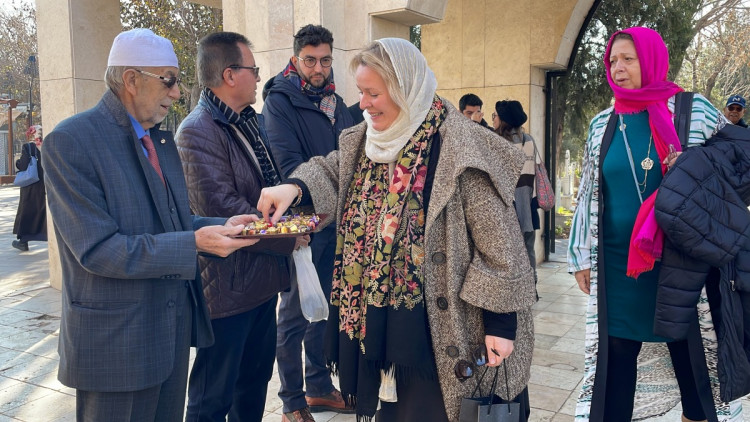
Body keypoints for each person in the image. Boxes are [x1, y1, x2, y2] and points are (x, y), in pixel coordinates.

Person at [257, 37, 536, 422]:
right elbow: (334, 170)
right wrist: (294, 187)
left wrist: (502, 325)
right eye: (361, 92)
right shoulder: (366, 140)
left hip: (449, 331)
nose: (363, 104)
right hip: (385, 327)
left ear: (406, 88)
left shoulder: (461, 146)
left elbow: (500, 245)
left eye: (374, 93)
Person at [42, 28, 260, 422]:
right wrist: (195, 243)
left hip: (169, 335)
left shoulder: (159, 140)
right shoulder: (72, 141)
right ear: (131, 79)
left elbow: (173, 222)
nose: (177, 92)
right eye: (169, 81)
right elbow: (99, 250)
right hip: (117, 346)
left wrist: (224, 224)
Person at [567, 27, 734, 422]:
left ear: (652, 60)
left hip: (682, 260)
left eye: (629, 59)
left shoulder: (694, 112)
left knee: (690, 352)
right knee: (617, 352)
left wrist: (696, 165)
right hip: (618, 263)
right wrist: (579, 255)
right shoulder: (603, 123)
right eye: (612, 61)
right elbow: (589, 191)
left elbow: (735, 168)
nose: (618, 68)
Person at [176, 31, 305, 422]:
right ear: (229, 75)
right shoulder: (196, 131)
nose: (259, 77)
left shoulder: (250, 121)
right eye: (253, 69)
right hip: (226, 291)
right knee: (213, 398)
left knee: (252, 388)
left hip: (261, 283)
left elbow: (270, 186)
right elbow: (225, 211)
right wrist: (290, 235)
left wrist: (297, 213)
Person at [261, 24, 354, 422]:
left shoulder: (336, 102)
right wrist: (314, 212)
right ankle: (292, 401)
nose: (319, 68)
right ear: (296, 59)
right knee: (295, 314)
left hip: (336, 223)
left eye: (326, 60)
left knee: (325, 307)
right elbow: (287, 165)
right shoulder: (280, 102)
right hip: (303, 224)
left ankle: (318, 387)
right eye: (311, 60)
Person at [491, 100, 539, 284]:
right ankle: (531, 286)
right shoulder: (529, 140)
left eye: (495, 116)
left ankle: (515, 288)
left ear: (503, 120)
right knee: (528, 249)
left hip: (507, 205)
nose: (493, 119)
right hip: (529, 204)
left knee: (508, 252)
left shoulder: (498, 142)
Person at [12, 125, 47, 251]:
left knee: (27, 211)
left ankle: (23, 242)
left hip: (31, 186)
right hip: (45, 184)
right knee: (45, 211)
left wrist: (17, 163)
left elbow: (23, 165)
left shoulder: (28, 147)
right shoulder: (47, 145)